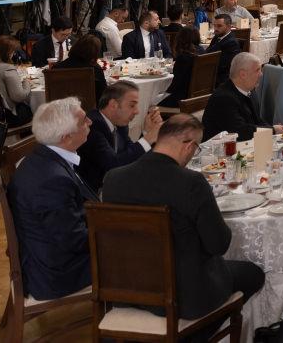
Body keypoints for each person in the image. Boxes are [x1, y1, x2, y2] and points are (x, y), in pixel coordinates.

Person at [102, 114, 265, 318]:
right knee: (253, 273)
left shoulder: (113, 179)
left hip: (129, 290)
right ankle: (199, 332)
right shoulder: (191, 182)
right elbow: (218, 245)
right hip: (184, 297)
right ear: (188, 146)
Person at [8, 97, 96, 300]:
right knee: (143, 251)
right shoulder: (52, 180)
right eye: (84, 121)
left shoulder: (45, 157)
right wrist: (117, 234)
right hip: (60, 273)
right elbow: (73, 240)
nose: (90, 122)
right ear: (66, 137)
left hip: (54, 256)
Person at [76, 80, 163, 192]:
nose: (137, 111)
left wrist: (147, 132)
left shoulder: (120, 125)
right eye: (132, 105)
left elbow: (130, 156)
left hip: (115, 186)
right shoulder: (92, 126)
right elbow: (113, 165)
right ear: (113, 105)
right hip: (93, 195)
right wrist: (148, 139)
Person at [202, 53, 283, 140]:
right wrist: (273, 130)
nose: (261, 74)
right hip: (219, 147)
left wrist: (274, 131)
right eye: (257, 70)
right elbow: (240, 132)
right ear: (243, 74)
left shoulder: (250, 91)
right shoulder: (222, 99)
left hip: (244, 144)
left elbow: (257, 121)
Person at [54, 34, 110, 101]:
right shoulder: (95, 69)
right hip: (90, 105)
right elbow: (103, 94)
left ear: (76, 46)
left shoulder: (57, 68)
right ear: (95, 52)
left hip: (62, 105)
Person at [162, 25, 202, 108]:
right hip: (199, 94)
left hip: (182, 98)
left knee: (149, 100)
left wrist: (161, 92)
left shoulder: (184, 57)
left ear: (181, 39)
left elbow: (176, 84)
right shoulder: (202, 50)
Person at [206, 13, 241, 81]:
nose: (215, 29)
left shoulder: (232, 43)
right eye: (214, 25)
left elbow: (224, 66)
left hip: (221, 78)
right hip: (213, 71)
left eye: (219, 26)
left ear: (229, 26)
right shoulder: (217, 37)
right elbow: (208, 51)